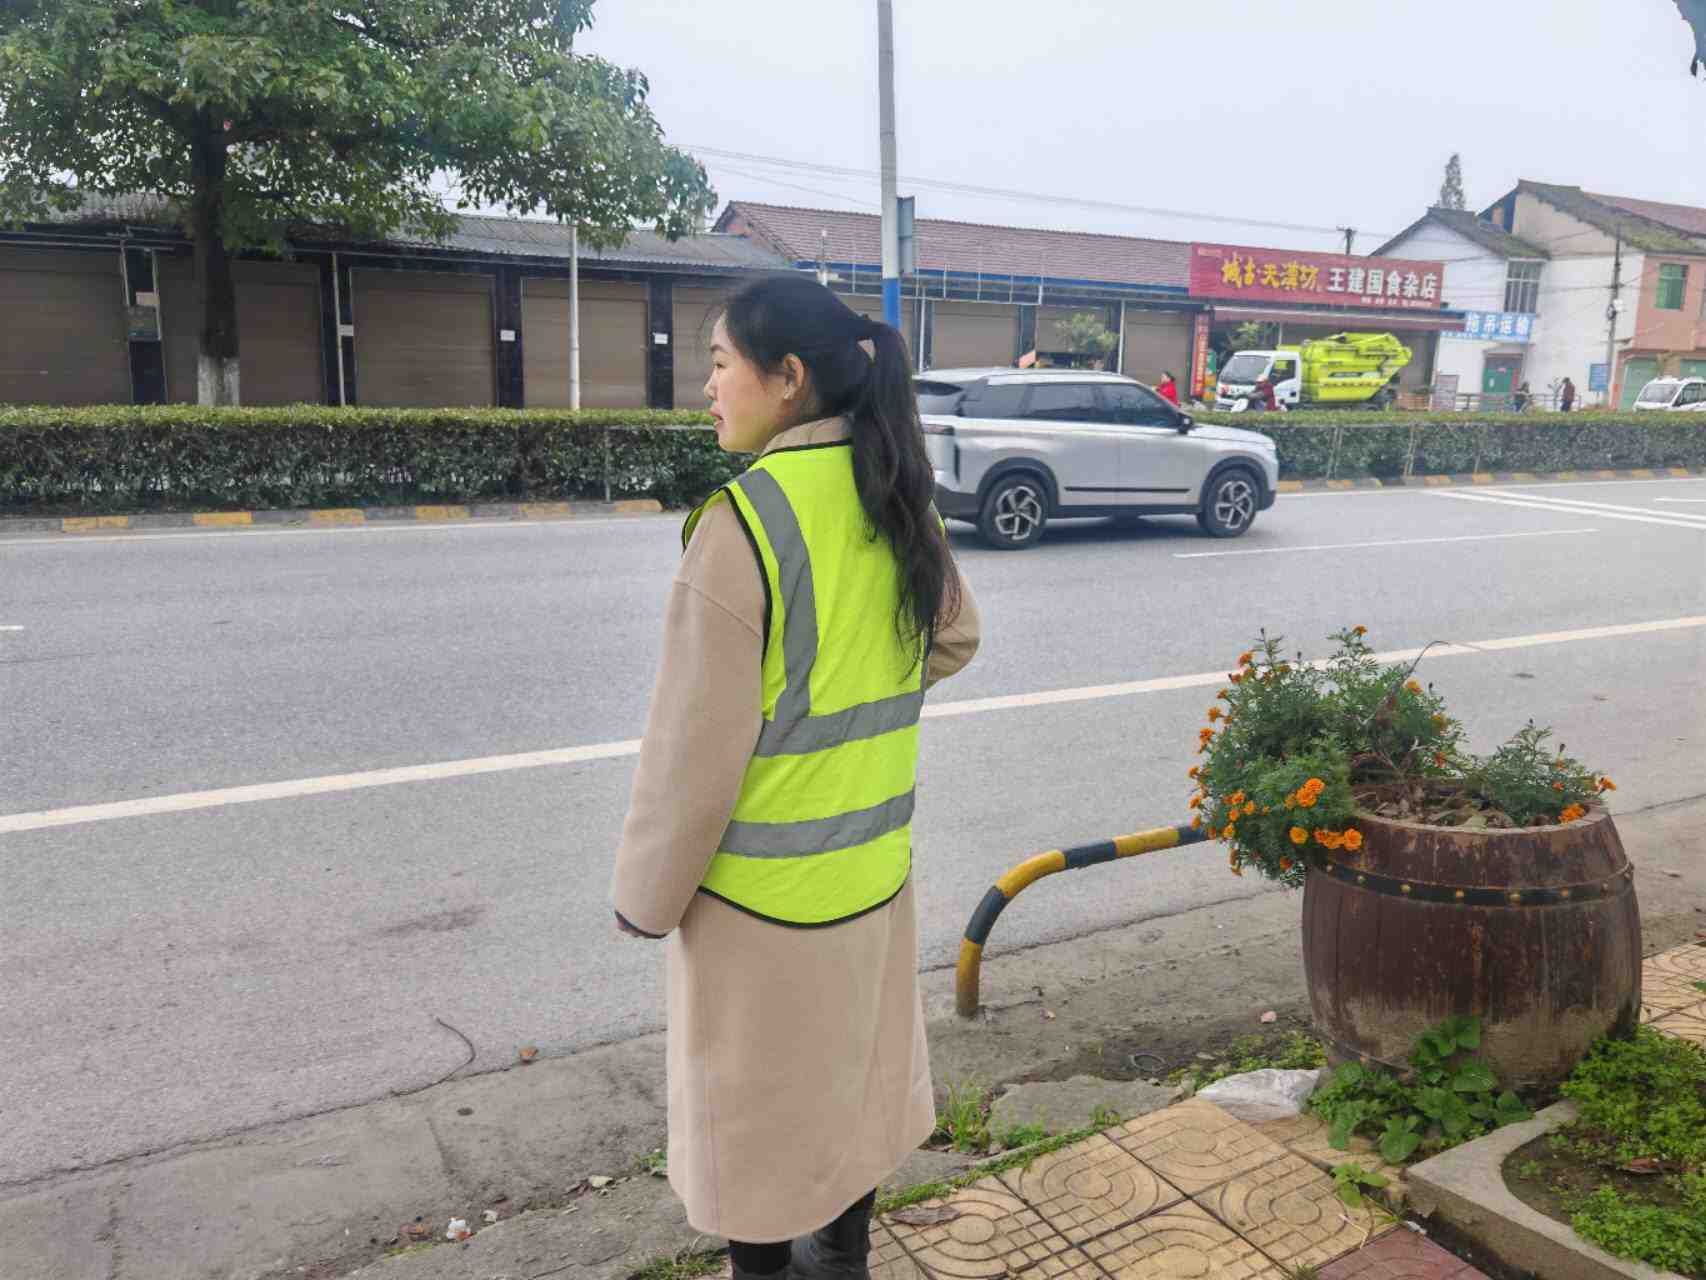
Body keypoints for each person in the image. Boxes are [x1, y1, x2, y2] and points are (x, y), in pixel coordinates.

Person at [610, 274, 981, 1280]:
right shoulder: (892, 488)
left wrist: (644, 900)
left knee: (757, 1120)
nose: (707, 388)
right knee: (852, 1084)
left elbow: (690, 756)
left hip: (757, 903)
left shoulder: (742, 523)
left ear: (786, 379)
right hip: (873, 873)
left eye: (719, 363)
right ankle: (844, 1258)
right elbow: (954, 637)